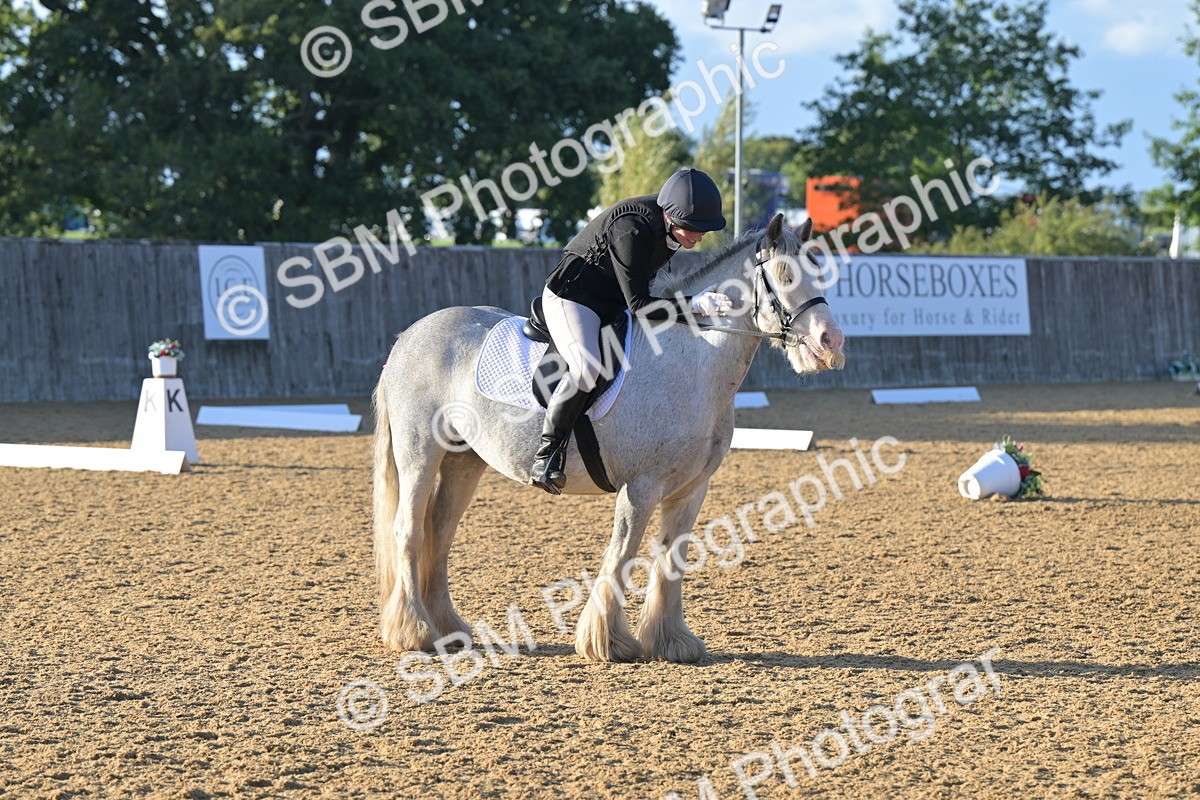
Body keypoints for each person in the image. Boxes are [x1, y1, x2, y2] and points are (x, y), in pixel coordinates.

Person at [530, 167, 733, 495]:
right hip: (574, 297)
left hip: (612, 301)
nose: (699, 236)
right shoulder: (632, 228)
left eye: (703, 229)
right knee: (586, 368)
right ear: (669, 216)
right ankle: (547, 454)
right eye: (693, 228)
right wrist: (693, 304)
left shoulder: (672, 225)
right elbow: (640, 305)